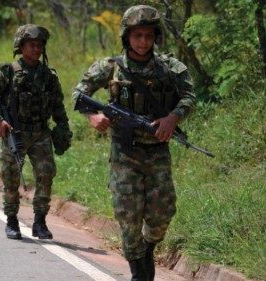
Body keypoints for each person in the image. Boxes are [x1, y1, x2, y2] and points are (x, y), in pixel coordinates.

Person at [72, 5, 196, 281]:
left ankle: (148, 247)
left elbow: (189, 96)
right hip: (124, 151)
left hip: (157, 150)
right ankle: (138, 271)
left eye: (148, 36)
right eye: (137, 35)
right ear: (126, 36)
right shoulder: (110, 67)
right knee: (128, 215)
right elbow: (79, 94)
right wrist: (94, 116)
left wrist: (172, 118)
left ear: (155, 37)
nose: (143, 41)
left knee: (163, 212)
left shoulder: (169, 67)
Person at [0, 24, 72, 240]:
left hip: (40, 134)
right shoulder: (7, 72)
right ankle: (12, 220)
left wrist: (63, 128)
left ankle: (40, 222)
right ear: (21, 46)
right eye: (32, 45)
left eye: (40, 45)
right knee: (11, 177)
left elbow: (58, 106)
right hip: (15, 132)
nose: (37, 49)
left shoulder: (48, 76)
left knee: (45, 175)